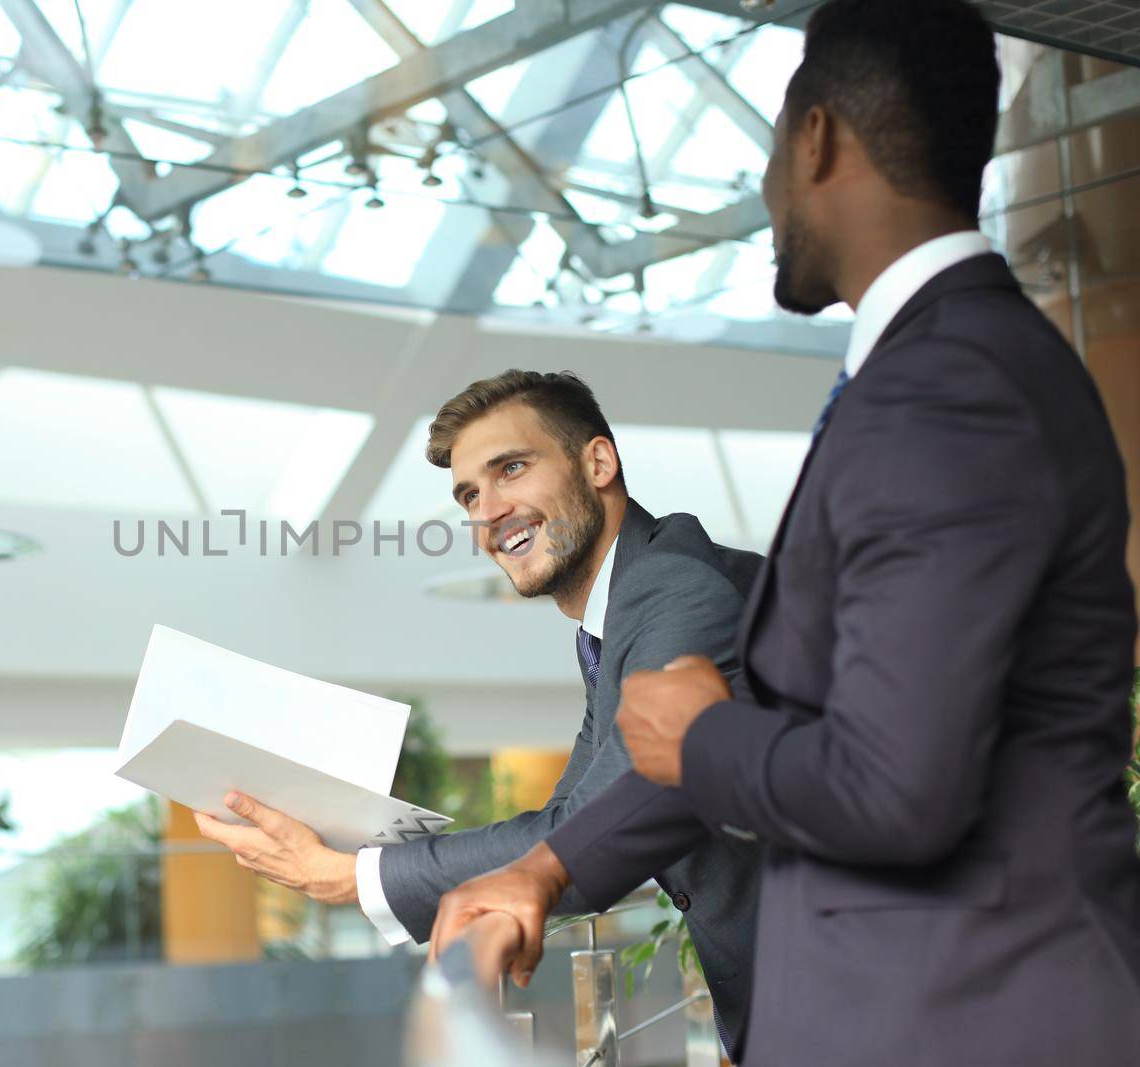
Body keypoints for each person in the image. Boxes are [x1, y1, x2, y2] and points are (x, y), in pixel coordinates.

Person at [428, 1, 1140, 1064]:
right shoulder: (934, 368)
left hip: (968, 1011)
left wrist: (701, 734)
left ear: (816, 140)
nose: (763, 194)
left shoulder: (948, 386)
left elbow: (899, 786)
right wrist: (543, 867)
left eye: (768, 152)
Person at [194, 370, 764, 1053]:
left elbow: (578, 832)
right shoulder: (614, 621)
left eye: (512, 469)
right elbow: (573, 822)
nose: (489, 511)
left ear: (599, 462)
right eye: (470, 494)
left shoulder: (675, 593)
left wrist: (352, 876)